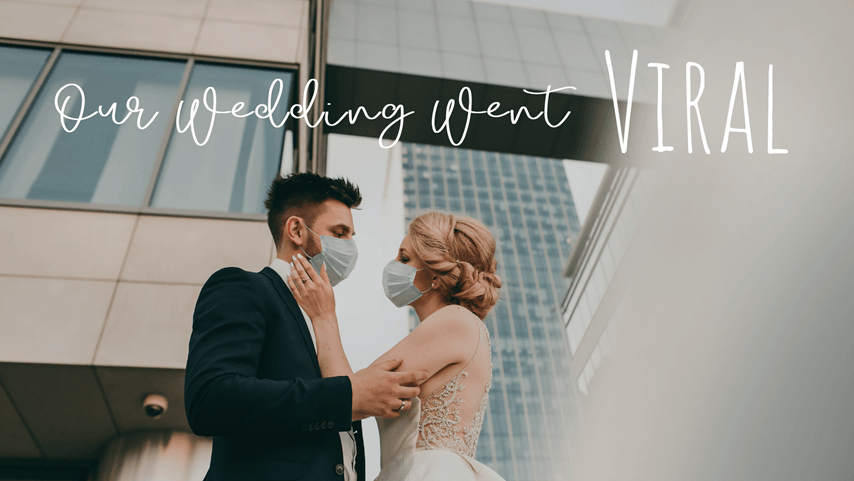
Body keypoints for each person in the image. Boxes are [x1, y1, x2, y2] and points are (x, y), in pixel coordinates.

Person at [184, 172, 428, 481]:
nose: (350, 247)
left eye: (352, 236)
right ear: (297, 230)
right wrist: (347, 397)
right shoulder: (245, 287)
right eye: (339, 233)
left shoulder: (322, 319)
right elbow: (210, 399)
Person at [288, 211, 507, 481]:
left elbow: (348, 395)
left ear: (436, 275)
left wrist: (324, 316)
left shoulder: (456, 320)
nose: (394, 264)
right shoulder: (453, 328)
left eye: (404, 258)